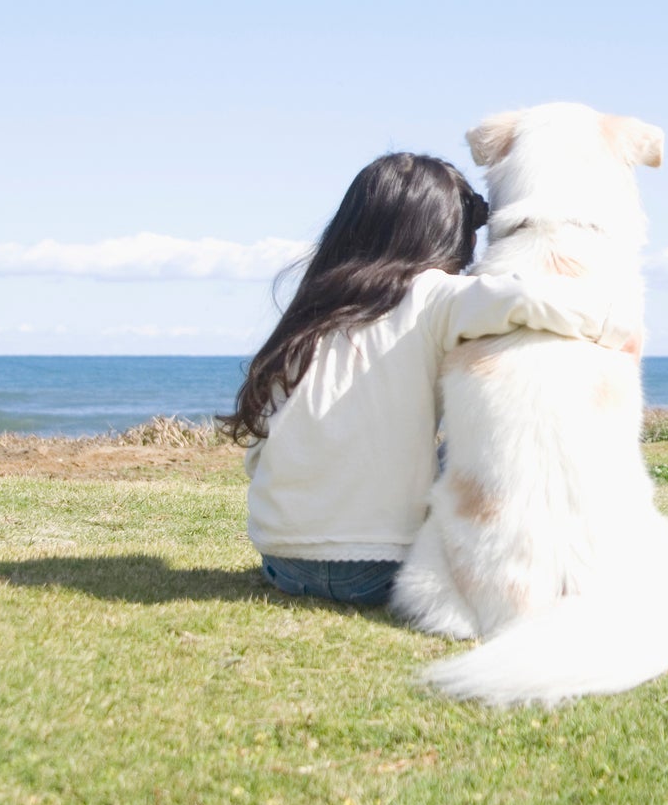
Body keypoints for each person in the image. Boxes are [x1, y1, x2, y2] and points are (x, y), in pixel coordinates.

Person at [220, 151, 630, 606]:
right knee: (487, 428)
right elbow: (527, 296)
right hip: (380, 569)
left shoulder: (311, 312)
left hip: (283, 562)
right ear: (445, 233)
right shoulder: (433, 296)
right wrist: (616, 325)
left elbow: (260, 453)